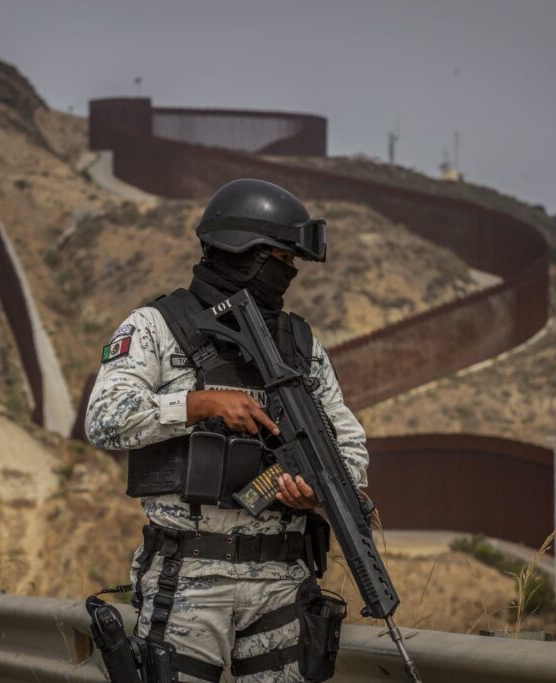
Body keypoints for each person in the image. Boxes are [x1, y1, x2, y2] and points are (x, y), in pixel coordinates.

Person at [86, 178, 368, 682]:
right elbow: (105, 419)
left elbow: (347, 442)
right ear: (248, 254)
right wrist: (197, 405)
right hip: (189, 578)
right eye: (283, 259)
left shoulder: (301, 344)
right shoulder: (156, 326)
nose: (291, 271)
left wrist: (318, 492)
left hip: (284, 582)